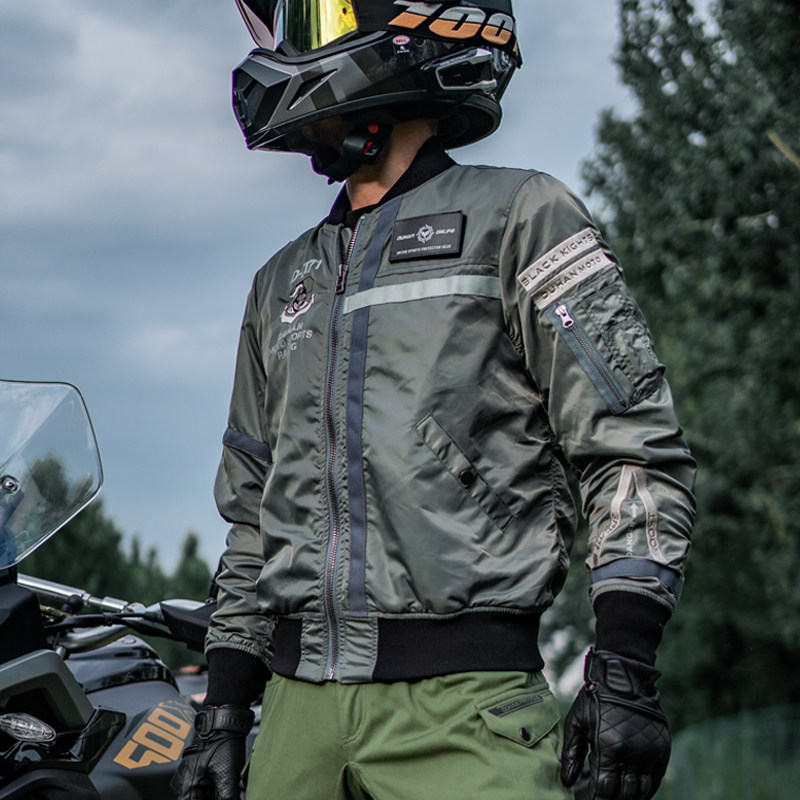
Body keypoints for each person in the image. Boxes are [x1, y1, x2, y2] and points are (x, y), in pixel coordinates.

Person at [173, 2, 696, 799]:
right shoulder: (281, 283)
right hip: (292, 721)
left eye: (317, 14)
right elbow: (251, 520)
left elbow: (630, 447)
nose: (283, 52)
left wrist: (624, 665)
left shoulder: (521, 218)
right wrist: (225, 709)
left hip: (467, 712)